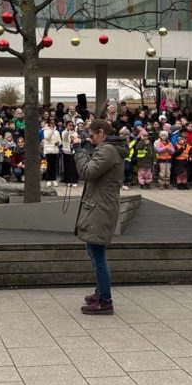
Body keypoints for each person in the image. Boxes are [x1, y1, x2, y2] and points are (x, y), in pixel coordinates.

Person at [74, 119, 126, 316]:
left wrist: (79, 150)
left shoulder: (108, 150)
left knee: (97, 254)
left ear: (102, 133)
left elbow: (87, 171)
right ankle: (100, 292)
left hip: (101, 208)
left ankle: (105, 300)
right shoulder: (108, 149)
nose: (90, 138)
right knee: (93, 250)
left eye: (93, 135)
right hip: (100, 205)